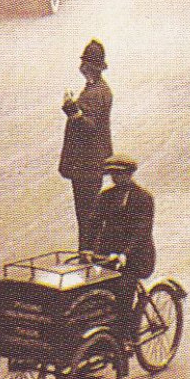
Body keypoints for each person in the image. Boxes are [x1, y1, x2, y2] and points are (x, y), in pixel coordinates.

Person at [83, 154, 155, 341]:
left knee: (123, 290)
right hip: (108, 255)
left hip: (136, 257)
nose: (116, 178)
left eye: (120, 174)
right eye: (113, 174)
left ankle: (126, 338)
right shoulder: (106, 196)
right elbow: (93, 222)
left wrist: (124, 253)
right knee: (94, 291)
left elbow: (142, 231)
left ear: (130, 174)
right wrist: (87, 248)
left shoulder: (143, 198)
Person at [60, 40, 114, 248]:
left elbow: (89, 125)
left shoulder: (95, 92)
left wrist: (71, 107)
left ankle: (88, 252)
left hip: (86, 164)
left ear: (88, 68)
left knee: (86, 214)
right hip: (93, 163)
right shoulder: (100, 89)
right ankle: (88, 250)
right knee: (88, 213)